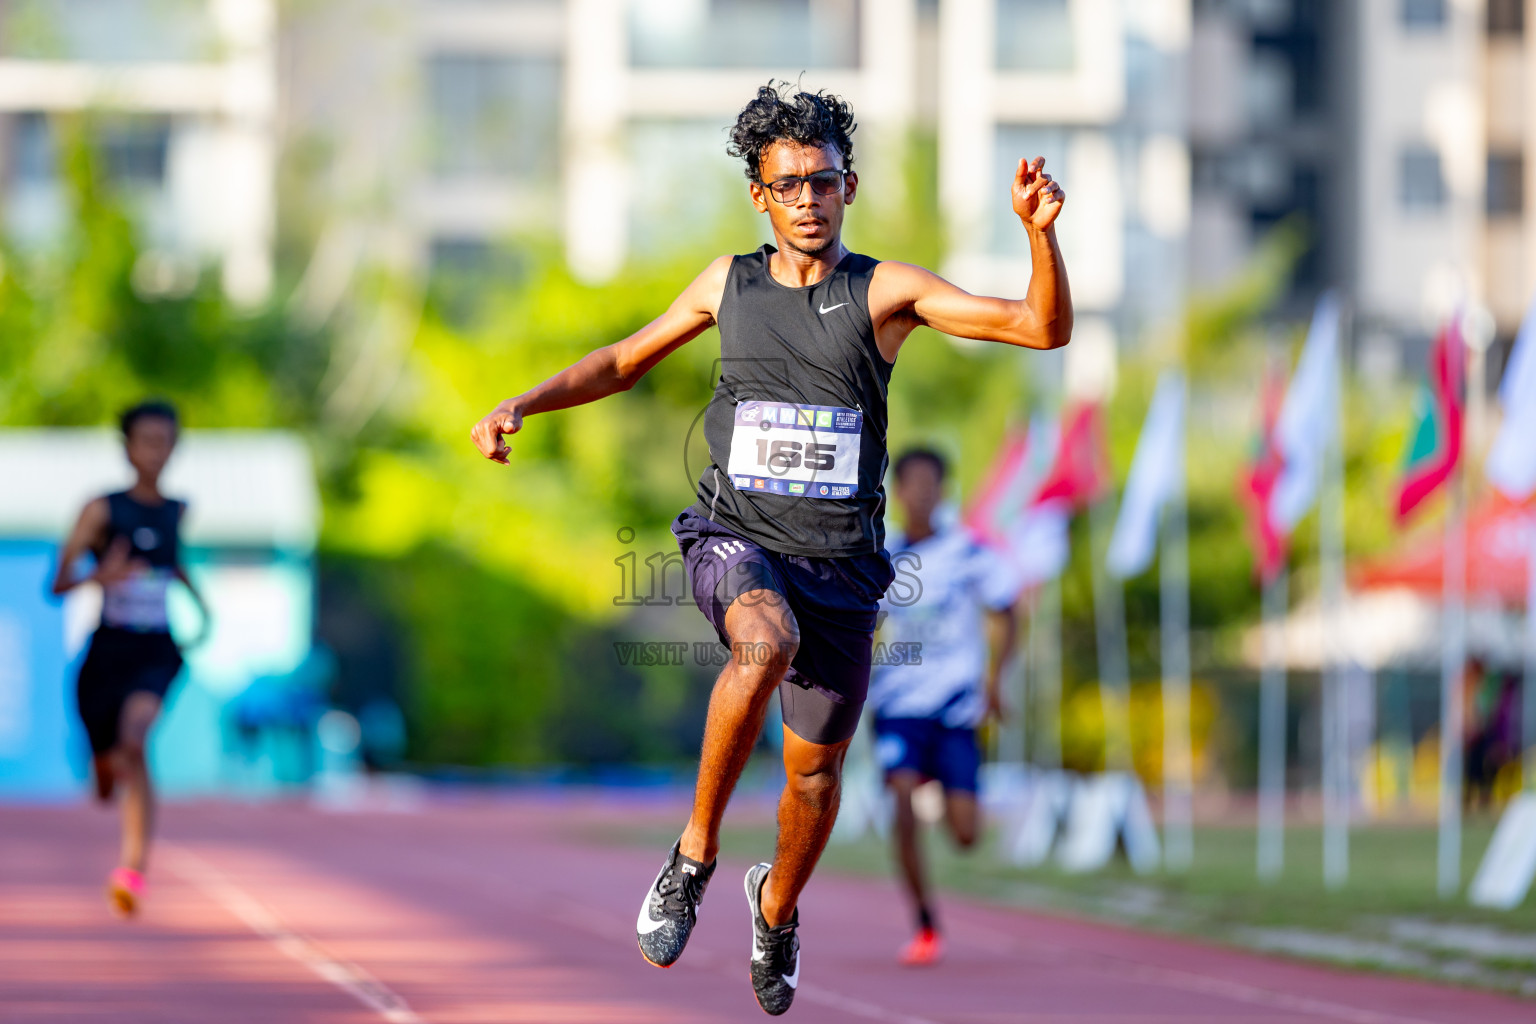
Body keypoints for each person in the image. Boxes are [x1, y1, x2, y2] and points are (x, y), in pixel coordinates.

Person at [470, 81, 1071, 1015]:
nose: (806, 199)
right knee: (763, 642)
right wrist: (525, 402)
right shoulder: (728, 284)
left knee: (816, 776)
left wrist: (1039, 234)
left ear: (849, 185)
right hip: (734, 536)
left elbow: (1038, 328)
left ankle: (777, 906)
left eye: (822, 182)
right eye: (787, 184)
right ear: (759, 193)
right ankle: (694, 854)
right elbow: (626, 360)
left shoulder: (885, 291)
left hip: (844, 567)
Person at [51, 400, 208, 916]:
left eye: (166, 442)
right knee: (107, 763)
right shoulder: (101, 509)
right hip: (107, 649)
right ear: (127, 447)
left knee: (136, 740)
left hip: (156, 648)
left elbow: (173, 566)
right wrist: (99, 576)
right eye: (146, 441)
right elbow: (58, 583)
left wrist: (203, 612)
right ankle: (102, 761)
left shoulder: (176, 511)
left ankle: (132, 869)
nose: (156, 453)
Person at [868, 448, 1022, 967]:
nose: (921, 494)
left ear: (943, 490)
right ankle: (926, 923)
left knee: (965, 835)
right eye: (911, 484)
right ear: (897, 491)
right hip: (899, 705)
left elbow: (1009, 609)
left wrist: (996, 679)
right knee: (903, 805)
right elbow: (858, 620)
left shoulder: (969, 550)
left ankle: (938, 783)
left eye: (931, 484)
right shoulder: (879, 551)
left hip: (957, 706)